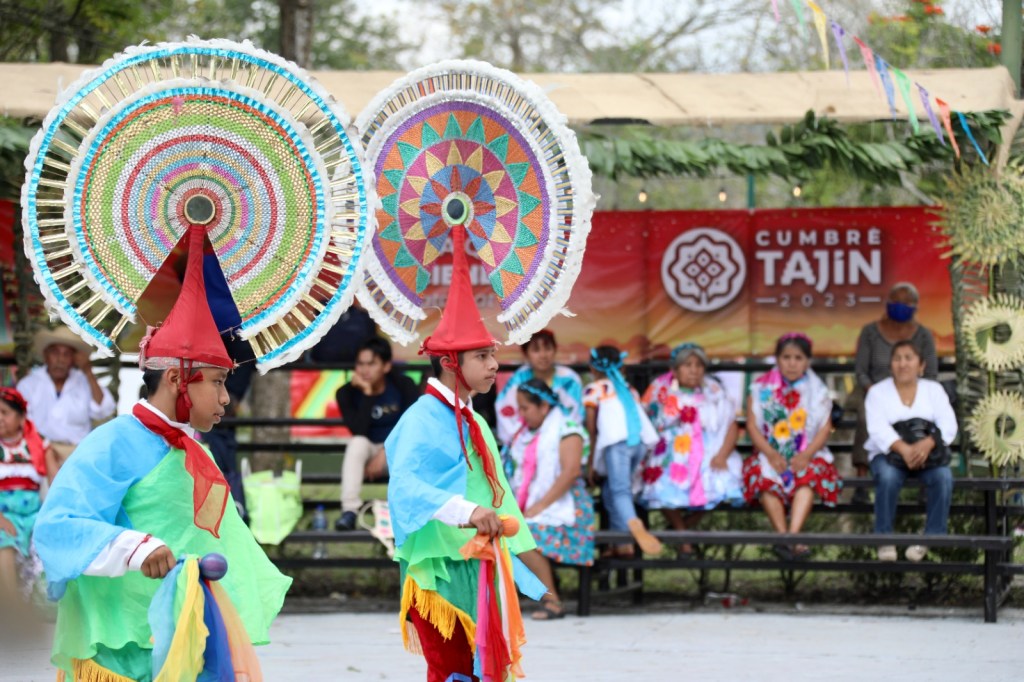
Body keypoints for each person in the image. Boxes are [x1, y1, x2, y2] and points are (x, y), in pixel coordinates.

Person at [32, 225, 290, 681]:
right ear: (176, 380)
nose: (226, 398)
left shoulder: (196, 451)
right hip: (121, 643)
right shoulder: (114, 441)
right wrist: (135, 546)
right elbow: (56, 527)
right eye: (217, 382)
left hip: (188, 637)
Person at [385, 224, 544, 682]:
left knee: (481, 673)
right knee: (452, 671)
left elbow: (496, 492)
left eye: (492, 354)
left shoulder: (475, 419)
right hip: (439, 569)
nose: (494, 364)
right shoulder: (421, 418)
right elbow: (406, 487)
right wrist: (468, 511)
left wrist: (520, 552)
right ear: (449, 362)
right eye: (481, 356)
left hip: (480, 563)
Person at [639, 343, 743, 557]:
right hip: (670, 450)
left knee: (720, 484)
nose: (694, 370)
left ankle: (679, 531)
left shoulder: (714, 390)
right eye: (687, 365)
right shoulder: (660, 389)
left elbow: (731, 424)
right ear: (675, 369)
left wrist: (722, 455)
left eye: (698, 365)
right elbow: (647, 422)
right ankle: (683, 536)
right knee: (660, 483)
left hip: (709, 449)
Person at [503, 378, 594, 620]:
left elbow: (570, 472)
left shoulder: (569, 429)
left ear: (543, 406)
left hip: (569, 509)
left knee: (521, 536)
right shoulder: (525, 434)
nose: (521, 414)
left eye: (525, 408)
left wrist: (540, 505)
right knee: (506, 531)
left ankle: (552, 601)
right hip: (539, 505)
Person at [743, 333, 840, 560]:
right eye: (786, 357)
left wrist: (806, 455)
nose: (792, 363)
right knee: (761, 474)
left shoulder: (818, 391)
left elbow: (825, 428)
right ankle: (784, 536)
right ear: (777, 359)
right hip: (770, 452)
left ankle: (791, 536)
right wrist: (770, 454)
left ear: (807, 361)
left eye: (798, 358)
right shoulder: (760, 388)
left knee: (810, 474)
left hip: (807, 453)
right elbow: (752, 426)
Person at [865, 340, 957, 563]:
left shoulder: (934, 390)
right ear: (891, 364)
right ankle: (884, 539)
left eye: (908, 358)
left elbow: (948, 424)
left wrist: (927, 444)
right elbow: (877, 428)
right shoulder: (877, 392)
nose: (902, 363)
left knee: (943, 477)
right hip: (888, 455)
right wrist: (904, 449)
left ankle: (931, 537)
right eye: (897, 358)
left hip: (927, 455)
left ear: (921, 365)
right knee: (887, 477)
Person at [850, 283, 939, 500]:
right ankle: (861, 483)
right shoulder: (870, 332)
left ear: (915, 306)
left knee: (925, 418)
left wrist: (914, 394)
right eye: (896, 301)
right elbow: (861, 372)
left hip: (914, 392)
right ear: (888, 304)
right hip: (874, 392)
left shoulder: (924, 335)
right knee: (865, 416)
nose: (901, 306)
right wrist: (877, 394)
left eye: (906, 302)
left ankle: (926, 480)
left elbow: (931, 373)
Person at [584, 345, 662, 557]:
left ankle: (633, 526)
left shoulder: (593, 390)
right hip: (639, 443)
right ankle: (621, 543)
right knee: (611, 491)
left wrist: (591, 463)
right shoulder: (629, 389)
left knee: (619, 491)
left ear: (592, 367)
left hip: (617, 444)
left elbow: (592, 428)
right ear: (622, 368)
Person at [334, 336, 419, 531]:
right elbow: (358, 430)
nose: (364, 370)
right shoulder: (346, 393)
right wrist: (367, 393)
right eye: (360, 364)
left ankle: (406, 512)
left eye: (371, 364)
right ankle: (349, 511)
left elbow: (411, 427)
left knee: (409, 447)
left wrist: (386, 451)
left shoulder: (404, 386)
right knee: (357, 443)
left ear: (386, 366)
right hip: (368, 451)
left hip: (397, 450)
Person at [17, 326, 115, 471]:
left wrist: (88, 371)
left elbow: (103, 409)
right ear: (45, 355)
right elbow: (22, 424)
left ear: (74, 359)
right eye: (55, 352)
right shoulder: (28, 384)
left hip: (77, 455)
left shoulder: (84, 381)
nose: (60, 360)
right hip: (39, 454)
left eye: (67, 354)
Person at [0, 387, 49, 613]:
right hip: (3, 516)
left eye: (4, 412)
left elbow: (57, 483)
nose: (0, 418)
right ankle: (13, 607)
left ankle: (44, 603)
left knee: (48, 537)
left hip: (35, 515)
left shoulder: (39, 445)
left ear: (21, 417)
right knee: (3, 540)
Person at [495, 329, 584, 445]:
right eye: (536, 350)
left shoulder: (569, 380)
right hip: (524, 443)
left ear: (555, 350)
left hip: (561, 443)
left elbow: (574, 417)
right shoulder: (518, 379)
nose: (543, 355)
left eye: (548, 348)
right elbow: (506, 413)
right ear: (526, 353)